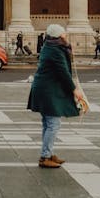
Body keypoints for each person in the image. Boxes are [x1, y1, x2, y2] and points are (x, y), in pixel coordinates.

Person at [27, 24, 84, 168]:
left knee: (48, 123)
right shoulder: (55, 50)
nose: (65, 36)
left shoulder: (51, 47)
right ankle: (45, 156)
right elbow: (63, 72)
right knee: (53, 124)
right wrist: (74, 90)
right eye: (63, 34)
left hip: (45, 89)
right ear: (58, 36)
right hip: (48, 91)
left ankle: (48, 153)